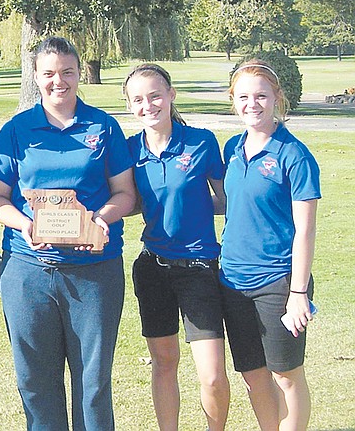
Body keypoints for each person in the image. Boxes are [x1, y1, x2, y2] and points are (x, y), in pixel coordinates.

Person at [0, 37, 136, 430]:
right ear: (36, 76)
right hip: (28, 272)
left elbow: (124, 193)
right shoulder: (17, 130)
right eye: (49, 73)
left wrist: (100, 219)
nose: (59, 81)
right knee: (35, 380)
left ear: (79, 72)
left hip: (94, 272)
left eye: (67, 72)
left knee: (93, 382)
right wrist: (25, 224)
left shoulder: (103, 126)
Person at [123, 64, 230, 431]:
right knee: (164, 363)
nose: (148, 105)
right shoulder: (128, 151)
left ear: (171, 96)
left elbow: (227, 200)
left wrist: (195, 207)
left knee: (213, 375)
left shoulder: (201, 142)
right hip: (153, 269)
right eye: (138, 99)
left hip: (200, 270)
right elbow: (132, 202)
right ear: (130, 106)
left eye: (155, 95)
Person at [220, 60, 320, 431]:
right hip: (232, 281)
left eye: (261, 95)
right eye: (244, 96)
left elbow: (305, 230)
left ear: (277, 98)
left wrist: (298, 292)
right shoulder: (232, 148)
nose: (253, 104)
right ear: (234, 101)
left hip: (279, 282)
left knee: (286, 375)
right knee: (253, 373)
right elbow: (232, 201)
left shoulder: (294, 155)